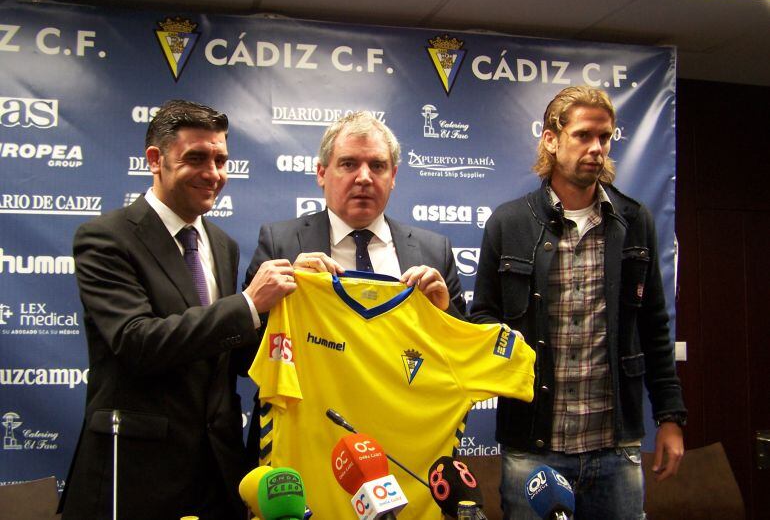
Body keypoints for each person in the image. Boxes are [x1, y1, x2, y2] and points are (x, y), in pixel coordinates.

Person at [59, 100, 296, 520]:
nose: (213, 173)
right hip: (135, 476)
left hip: (216, 472)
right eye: (197, 158)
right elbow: (137, 342)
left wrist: (295, 304)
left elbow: (231, 355)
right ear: (156, 159)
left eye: (221, 159)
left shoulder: (222, 244)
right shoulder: (104, 238)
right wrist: (246, 305)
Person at [471, 86, 686, 519]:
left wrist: (670, 417)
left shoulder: (633, 221)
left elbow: (654, 328)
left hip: (614, 445)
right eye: (584, 135)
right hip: (532, 445)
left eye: (605, 138)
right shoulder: (509, 222)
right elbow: (483, 319)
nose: (596, 148)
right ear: (551, 139)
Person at [242, 110, 467, 463]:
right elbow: (244, 357)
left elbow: (461, 364)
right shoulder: (281, 242)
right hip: (306, 443)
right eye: (348, 164)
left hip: (402, 444)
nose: (364, 177)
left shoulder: (432, 250)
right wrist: (277, 300)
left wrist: (445, 311)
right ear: (321, 173)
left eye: (377, 166)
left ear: (393, 177)